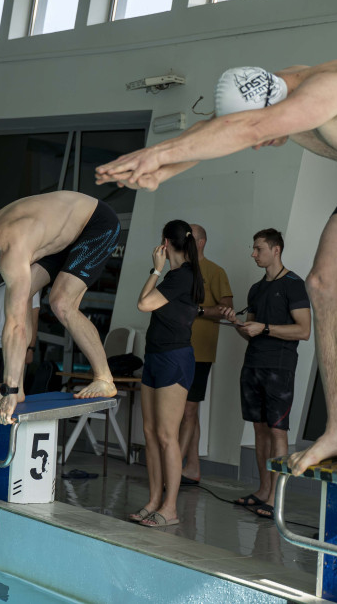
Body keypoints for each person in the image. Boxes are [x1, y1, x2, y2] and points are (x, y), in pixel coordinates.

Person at [96, 61, 337, 486]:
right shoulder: (266, 90)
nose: (258, 145)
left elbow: (247, 131)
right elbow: (215, 132)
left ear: (275, 106)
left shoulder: (327, 88)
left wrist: (157, 154)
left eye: (260, 130)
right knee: (323, 284)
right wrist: (161, 169)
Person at [0, 191, 121, 425]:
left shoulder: (12, 245)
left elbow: (15, 325)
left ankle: (104, 377)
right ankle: (17, 386)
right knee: (9, 300)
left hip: (94, 223)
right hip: (58, 235)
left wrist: (8, 390)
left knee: (61, 302)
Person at [222, 229, 310, 518]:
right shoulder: (256, 289)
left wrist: (266, 328)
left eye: (258, 248)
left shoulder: (294, 285)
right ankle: (263, 490)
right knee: (258, 429)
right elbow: (252, 333)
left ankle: (276, 498)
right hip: (253, 364)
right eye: (253, 248)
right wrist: (238, 324)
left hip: (279, 367)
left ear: (276, 250)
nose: (253, 253)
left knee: (277, 431)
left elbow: (304, 331)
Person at [130, 220, 204, 528]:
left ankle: (170, 508)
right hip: (155, 356)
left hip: (175, 358)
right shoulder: (176, 276)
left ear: (165, 242)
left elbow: (143, 303)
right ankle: (153, 500)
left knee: (166, 436)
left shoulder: (182, 277)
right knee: (149, 433)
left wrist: (155, 269)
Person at [180, 223, 233, 485]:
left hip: (200, 352)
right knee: (188, 411)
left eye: (190, 237)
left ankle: (174, 469)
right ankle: (191, 467)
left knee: (188, 410)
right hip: (176, 348)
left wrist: (197, 311)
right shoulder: (180, 269)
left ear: (200, 242)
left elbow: (226, 309)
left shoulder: (215, 271)